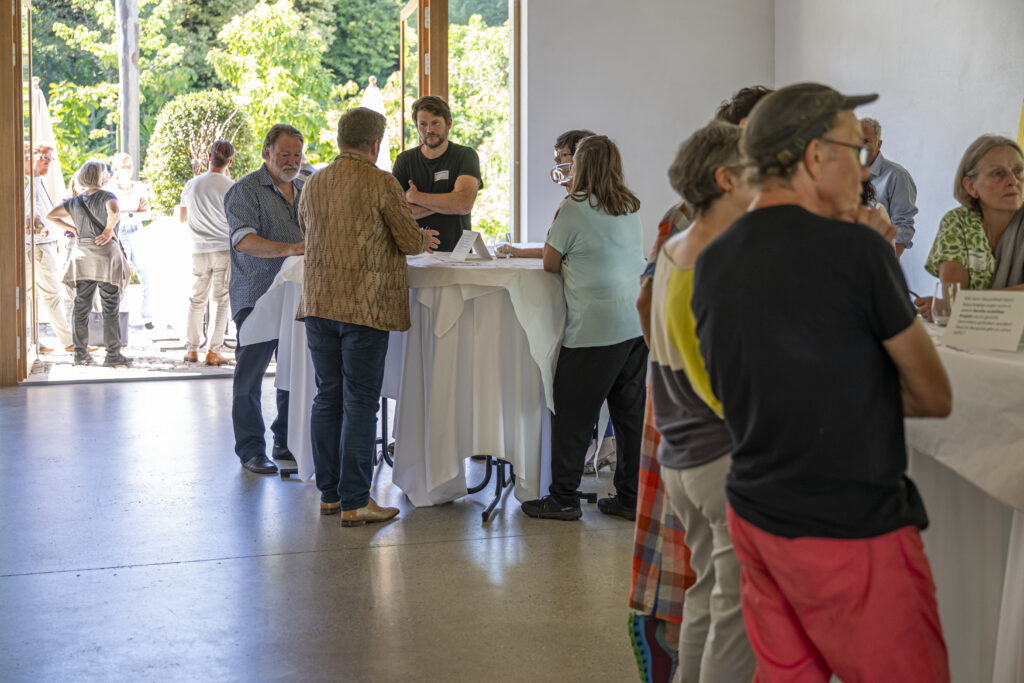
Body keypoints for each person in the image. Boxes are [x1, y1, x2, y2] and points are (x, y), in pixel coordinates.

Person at [691, 82, 952, 681]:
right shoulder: (858, 251)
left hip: (756, 508)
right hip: (850, 520)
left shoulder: (714, 258)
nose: (864, 171)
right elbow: (934, 395)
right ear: (814, 158)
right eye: (854, 151)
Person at [629, 85, 771, 683]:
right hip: (715, 432)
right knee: (732, 605)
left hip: (685, 427)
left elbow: (649, 306)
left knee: (709, 589)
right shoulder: (724, 240)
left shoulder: (686, 229)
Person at [296, 107, 439, 524]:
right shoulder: (381, 182)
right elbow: (407, 239)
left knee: (328, 398)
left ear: (341, 138)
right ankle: (357, 500)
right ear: (375, 144)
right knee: (360, 403)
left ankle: (330, 495)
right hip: (366, 305)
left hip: (320, 303)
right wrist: (421, 237)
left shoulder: (314, 182)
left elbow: (308, 231)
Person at [520, 135, 646, 522]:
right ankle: (630, 497)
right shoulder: (629, 204)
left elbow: (549, 262)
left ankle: (563, 498)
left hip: (596, 326)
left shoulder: (573, 207)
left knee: (573, 413)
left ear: (581, 166)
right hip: (634, 324)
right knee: (628, 418)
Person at [225, 124, 306, 475]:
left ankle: (285, 441)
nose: (291, 161)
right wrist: (290, 249)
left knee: (293, 371)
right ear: (266, 153)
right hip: (256, 296)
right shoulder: (244, 190)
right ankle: (251, 450)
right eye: (284, 154)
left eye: (297, 155)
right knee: (250, 379)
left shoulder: (306, 189)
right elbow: (243, 240)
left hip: (297, 296)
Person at [917, 135, 1024, 319]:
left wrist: (960, 306)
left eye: (1019, 171)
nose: (1013, 181)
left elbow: (954, 307)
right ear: (971, 186)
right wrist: (955, 306)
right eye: (998, 173)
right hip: (972, 336)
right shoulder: (957, 222)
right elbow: (954, 300)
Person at [45, 160, 132, 367]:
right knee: (110, 306)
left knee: (80, 307)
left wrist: (74, 229)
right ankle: (112, 355)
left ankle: (80, 354)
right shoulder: (108, 196)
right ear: (101, 177)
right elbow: (114, 211)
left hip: (82, 257)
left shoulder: (75, 201)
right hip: (105, 257)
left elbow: (51, 216)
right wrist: (109, 230)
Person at [392, 96, 482, 251]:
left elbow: (463, 204)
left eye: (435, 123)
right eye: (423, 124)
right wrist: (449, 201)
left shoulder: (465, 156)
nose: (429, 130)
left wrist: (415, 197)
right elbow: (398, 213)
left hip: (458, 255)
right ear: (416, 126)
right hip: (416, 255)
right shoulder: (404, 160)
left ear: (448, 123)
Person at [178, 140, 235, 366]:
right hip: (223, 248)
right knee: (221, 301)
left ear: (209, 157)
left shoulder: (192, 184)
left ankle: (191, 349)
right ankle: (213, 350)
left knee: (196, 300)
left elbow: (182, 218)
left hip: (198, 249)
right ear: (229, 161)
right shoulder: (231, 186)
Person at [499, 129, 596, 260]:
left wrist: (513, 251)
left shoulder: (574, 204)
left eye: (563, 154)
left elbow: (552, 257)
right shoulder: (618, 201)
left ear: (580, 159)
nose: (556, 159)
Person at [24, 143, 74, 354]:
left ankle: (34, 341)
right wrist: (35, 225)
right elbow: (30, 212)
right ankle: (69, 343)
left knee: (30, 295)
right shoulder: (29, 183)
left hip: (37, 244)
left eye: (50, 157)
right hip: (39, 246)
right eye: (43, 156)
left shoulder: (34, 182)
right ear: (28, 158)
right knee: (50, 294)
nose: (47, 160)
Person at [105, 152, 153, 325]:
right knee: (121, 275)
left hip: (137, 231)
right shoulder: (109, 188)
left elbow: (147, 213)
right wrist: (134, 212)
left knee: (145, 272)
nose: (128, 169)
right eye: (124, 166)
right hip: (119, 233)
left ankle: (147, 316)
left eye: (130, 166)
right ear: (116, 169)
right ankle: (121, 315)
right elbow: (110, 214)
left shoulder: (140, 187)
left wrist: (126, 213)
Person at [861, 117, 917, 257]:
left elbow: (903, 226)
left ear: (878, 144)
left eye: (866, 141)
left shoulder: (897, 176)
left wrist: (888, 263)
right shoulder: (845, 174)